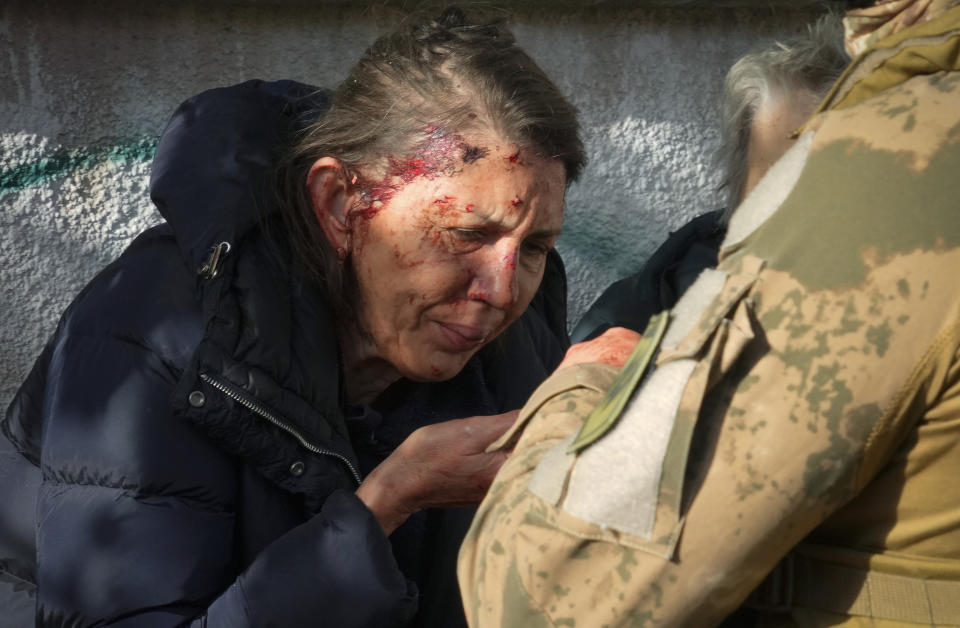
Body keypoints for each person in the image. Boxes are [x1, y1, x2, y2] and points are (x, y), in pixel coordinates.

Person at [0, 7, 585, 627]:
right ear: (339, 203)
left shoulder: (516, 342)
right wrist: (388, 500)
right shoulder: (162, 335)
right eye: (465, 232)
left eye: (537, 248)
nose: (500, 289)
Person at [459, 0, 960, 626]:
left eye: (536, 246)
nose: (500, 289)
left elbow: (544, 598)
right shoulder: (662, 292)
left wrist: (584, 388)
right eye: (779, 182)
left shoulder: (908, 162)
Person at [570, 14, 849, 344]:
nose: (791, 216)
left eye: (818, 187)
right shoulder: (644, 312)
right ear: (737, 184)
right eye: (772, 187)